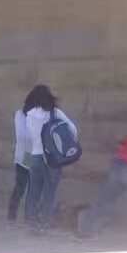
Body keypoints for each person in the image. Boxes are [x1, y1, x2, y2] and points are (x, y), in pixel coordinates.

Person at [21, 85, 77, 233]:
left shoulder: (29, 114)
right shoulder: (55, 112)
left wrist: (26, 160)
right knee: (50, 191)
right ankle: (44, 221)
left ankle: (30, 217)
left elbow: (25, 139)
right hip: (52, 158)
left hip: (34, 156)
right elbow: (72, 128)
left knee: (33, 189)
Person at [7, 94, 35, 228]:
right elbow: (26, 137)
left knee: (24, 188)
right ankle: (19, 217)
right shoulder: (24, 117)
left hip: (24, 155)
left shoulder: (20, 115)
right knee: (24, 188)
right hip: (27, 155)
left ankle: (18, 216)